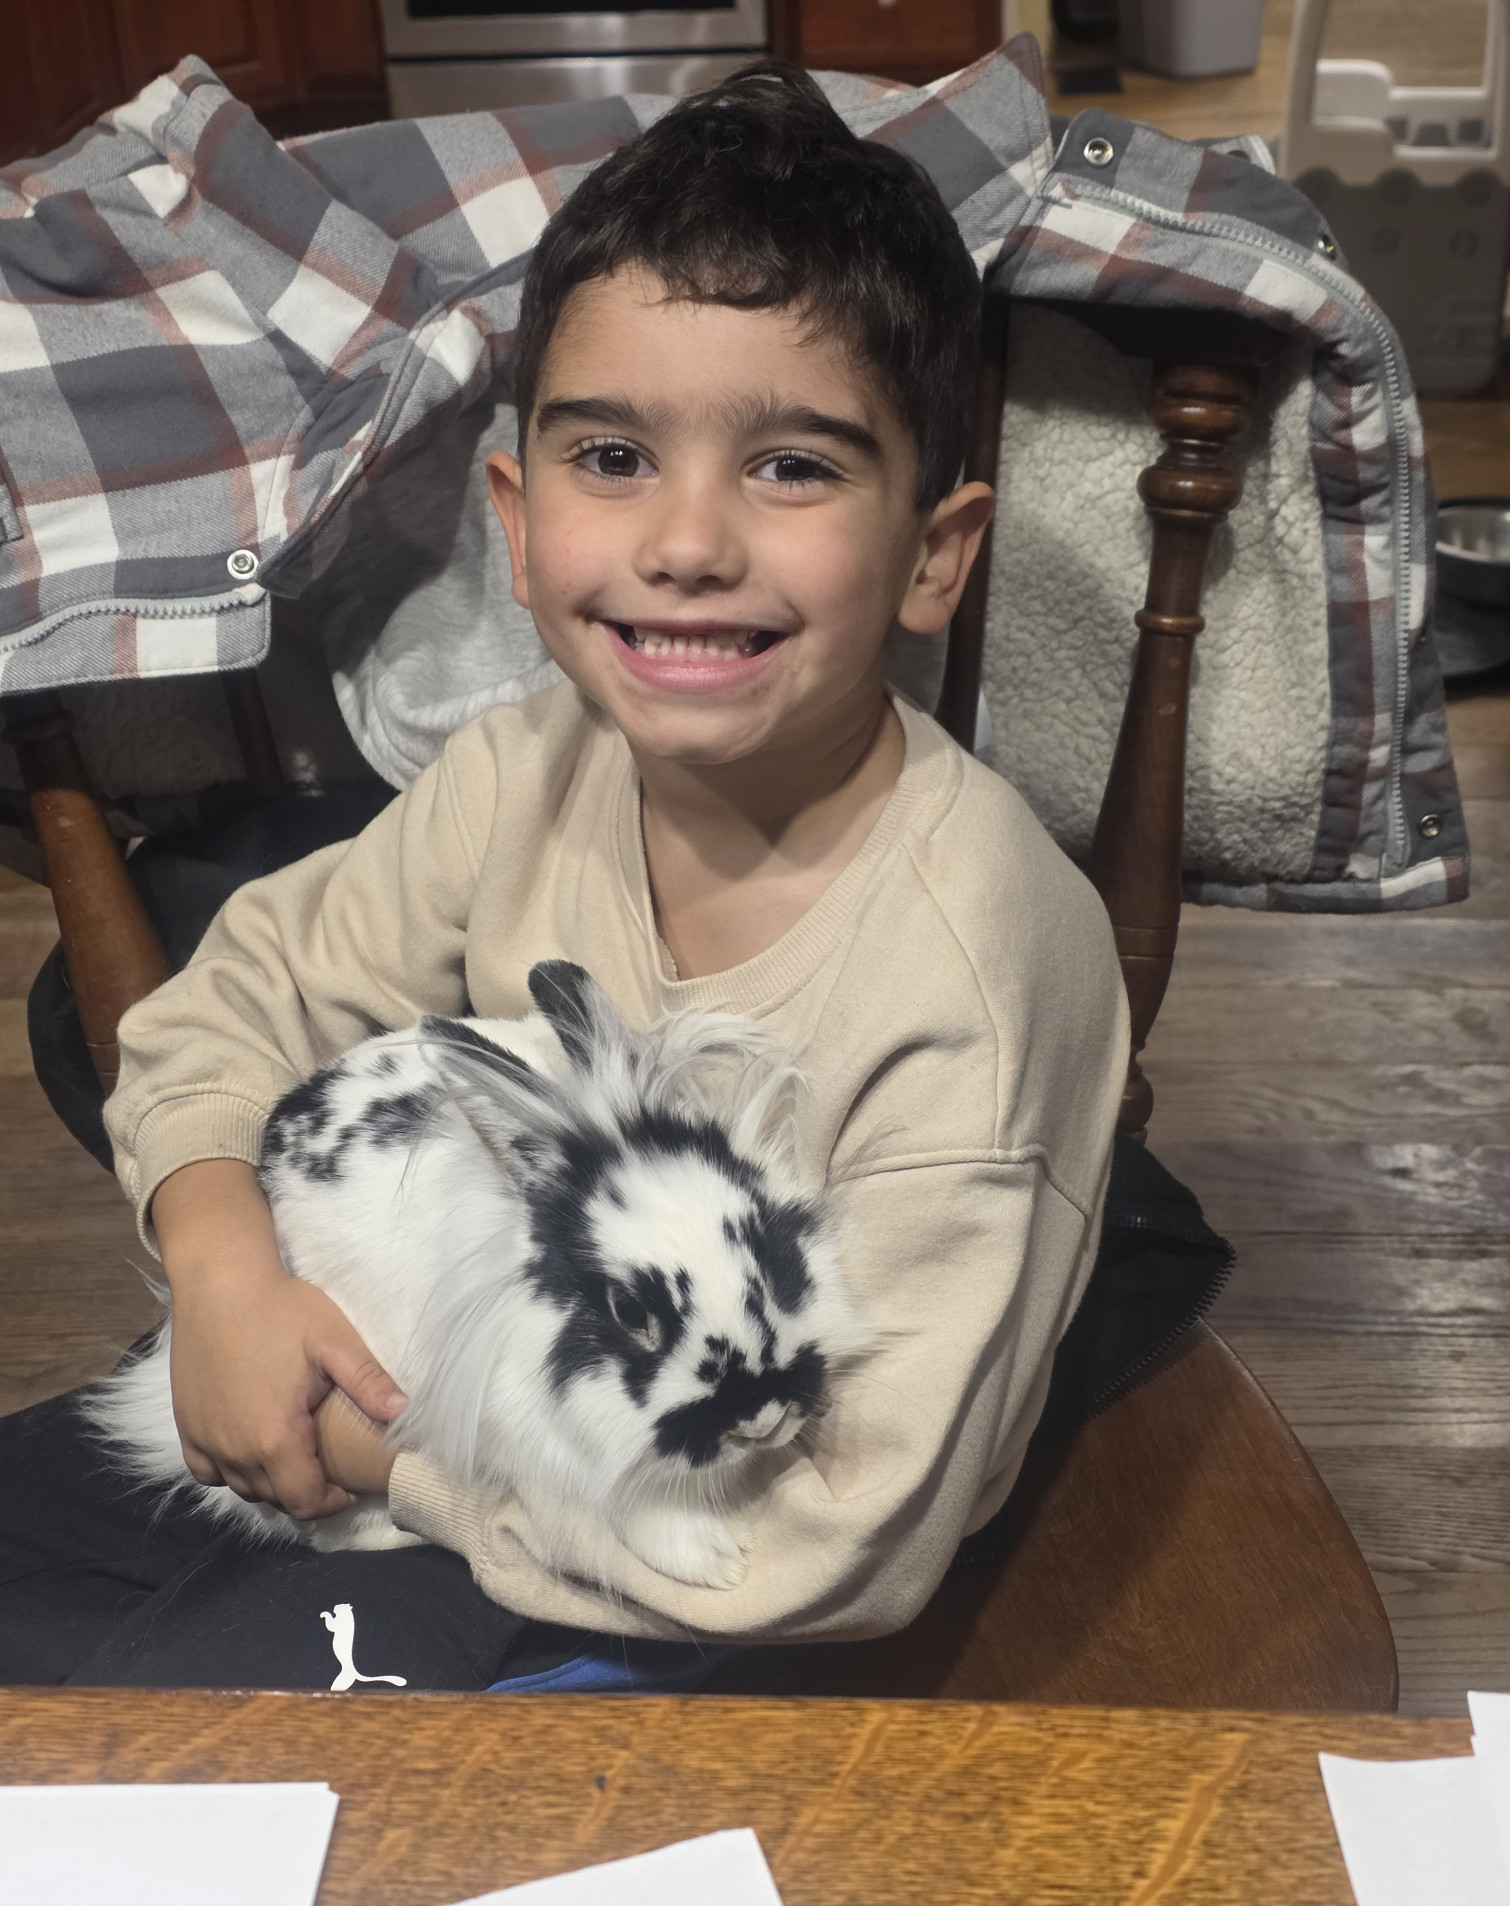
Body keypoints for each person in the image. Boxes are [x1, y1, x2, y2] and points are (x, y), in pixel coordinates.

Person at [0, 62, 1127, 1687]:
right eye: (612, 457)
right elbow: (229, 1002)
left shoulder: (970, 994)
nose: (687, 543)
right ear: (518, 528)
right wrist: (225, 1270)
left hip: (665, 1545)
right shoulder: (524, 769)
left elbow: (829, 1550)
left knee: (193, 1719)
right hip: (509, 1409)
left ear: (933, 556)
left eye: (793, 467)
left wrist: (382, 1462)